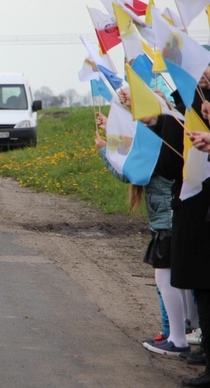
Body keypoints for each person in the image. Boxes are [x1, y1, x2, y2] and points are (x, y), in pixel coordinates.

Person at [94, 110, 189, 357]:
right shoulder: (157, 137)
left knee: (166, 281)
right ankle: (177, 332)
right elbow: (130, 146)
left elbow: (130, 169)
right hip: (167, 218)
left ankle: (175, 336)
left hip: (166, 220)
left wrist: (105, 150)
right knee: (171, 281)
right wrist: (109, 130)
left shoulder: (158, 142)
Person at [155, 66, 210, 387]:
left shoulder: (192, 102)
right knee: (201, 287)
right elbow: (169, 164)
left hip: (198, 210)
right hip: (193, 209)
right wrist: (160, 118)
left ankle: (181, 335)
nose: (203, 76)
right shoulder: (188, 103)